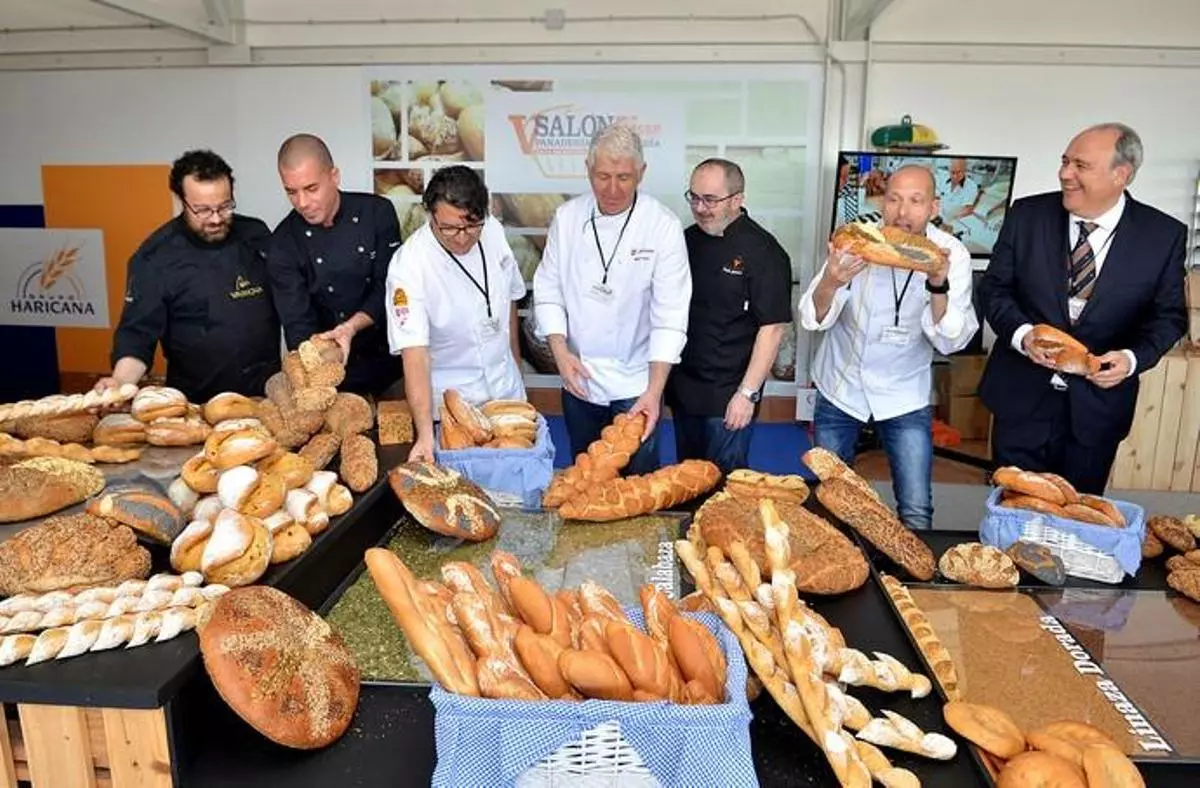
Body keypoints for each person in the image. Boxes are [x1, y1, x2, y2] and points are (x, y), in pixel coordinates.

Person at [978, 123, 1187, 494]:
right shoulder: (1026, 215)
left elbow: (1169, 317)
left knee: (1080, 517)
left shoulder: (1163, 235)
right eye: (1064, 162)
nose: (1064, 174)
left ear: (1121, 174)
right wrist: (1023, 336)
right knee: (1012, 510)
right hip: (1021, 402)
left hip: (1096, 412)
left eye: (1080, 165)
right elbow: (994, 289)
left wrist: (1131, 359)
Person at [799, 165, 979, 530]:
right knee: (829, 499)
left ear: (934, 207)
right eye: (894, 199)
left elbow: (950, 339)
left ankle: (913, 567)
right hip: (843, 385)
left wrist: (938, 285)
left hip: (904, 392)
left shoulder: (950, 255)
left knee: (915, 508)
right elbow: (812, 317)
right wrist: (831, 280)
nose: (902, 211)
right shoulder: (857, 241)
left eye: (915, 201)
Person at [533, 125, 691, 475]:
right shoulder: (567, 218)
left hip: (636, 383)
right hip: (579, 378)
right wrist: (560, 353)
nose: (613, 189)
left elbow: (671, 314)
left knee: (637, 482)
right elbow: (547, 288)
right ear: (588, 169)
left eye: (624, 177)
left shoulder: (662, 226)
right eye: (603, 176)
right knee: (585, 475)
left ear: (641, 173)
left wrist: (655, 390)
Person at [99, 150, 281, 402]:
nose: (216, 219)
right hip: (196, 404)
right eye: (203, 210)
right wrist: (120, 382)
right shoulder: (155, 257)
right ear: (180, 200)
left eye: (224, 207)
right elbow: (137, 334)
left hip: (268, 398)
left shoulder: (255, 233)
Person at [384, 166, 526, 462]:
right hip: (452, 411)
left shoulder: (493, 232)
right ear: (430, 215)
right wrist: (425, 435)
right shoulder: (409, 266)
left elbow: (510, 303)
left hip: (506, 395)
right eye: (448, 228)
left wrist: (516, 367)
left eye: (471, 226)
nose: (462, 238)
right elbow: (415, 355)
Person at [665, 159, 792, 473]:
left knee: (726, 485)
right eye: (694, 197)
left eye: (710, 200)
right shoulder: (684, 241)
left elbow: (773, 329)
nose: (700, 208)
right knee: (687, 479)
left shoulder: (764, 251)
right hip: (685, 389)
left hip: (729, 394)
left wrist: (747, 394)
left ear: (737, 199)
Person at [267, 133, 401, 396]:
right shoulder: (282, 243)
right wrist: (325, 359)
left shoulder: (377, 213)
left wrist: (350, 328)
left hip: (390, 366)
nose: (302, 203)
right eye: (291, 192)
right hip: (330, 376)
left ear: (334, 176)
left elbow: (388, 287)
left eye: (311, 188)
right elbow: (297, 324)